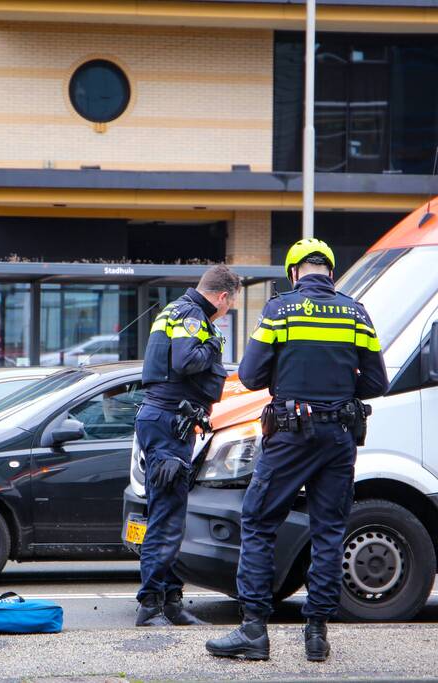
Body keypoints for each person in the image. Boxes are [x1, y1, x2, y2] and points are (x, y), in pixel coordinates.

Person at [205, 238, 388, 662]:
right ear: (330, 272)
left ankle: (254, 630)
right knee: (329, 531)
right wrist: (339, 392)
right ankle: (317, 635)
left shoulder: (279, 310)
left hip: (290, 436)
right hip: (339, 437)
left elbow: (251, 376)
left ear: (293, 272)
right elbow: (377, 382)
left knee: (258, 522)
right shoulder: (356, 313)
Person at [135, 265, 241, 627]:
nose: (226, 311)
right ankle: (151, 604)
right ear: (223, 296)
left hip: (167, 422)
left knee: (171, 514)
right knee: (166, 517)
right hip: (168, 422)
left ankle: (171, 601)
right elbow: (185, 361)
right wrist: (213, 343)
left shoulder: (175, 310)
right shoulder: (192, 315)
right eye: (230, 304)